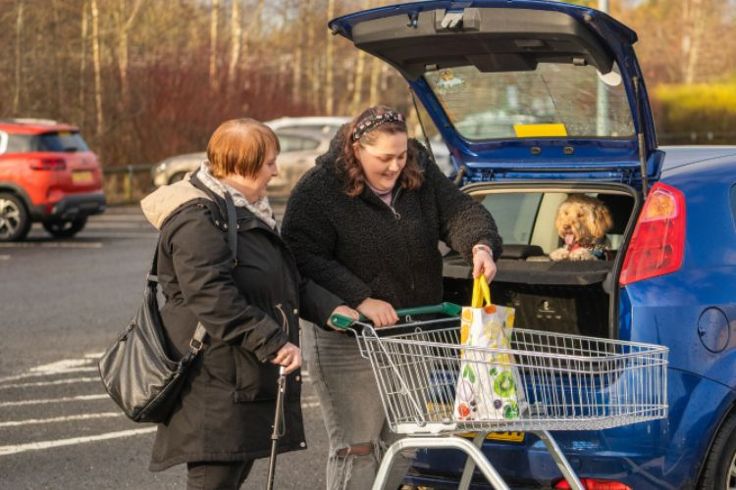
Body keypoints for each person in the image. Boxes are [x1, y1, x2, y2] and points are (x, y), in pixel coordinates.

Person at [281, 105, 502, 490]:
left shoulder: (420, 172)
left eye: (401, 156)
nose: (395, 166)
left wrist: (480, 246)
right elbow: (300, 255)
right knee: (359, 447)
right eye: (384, 158)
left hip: (412, 332)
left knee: (404, 440)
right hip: (349, 339)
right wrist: (360, 298)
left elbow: (460, 213)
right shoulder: (319, 189)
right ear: (356, 149)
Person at [140, 118, 358, 490]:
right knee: (215, 479)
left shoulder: (242, 209)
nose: (275, 171)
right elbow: (212, 296)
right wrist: (273, 343)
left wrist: (331, 308)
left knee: (232, 475)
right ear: (243, 163)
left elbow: (281, 280)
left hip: (238, 374)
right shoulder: (198, 218)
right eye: (270, 162)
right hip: (211, 381)